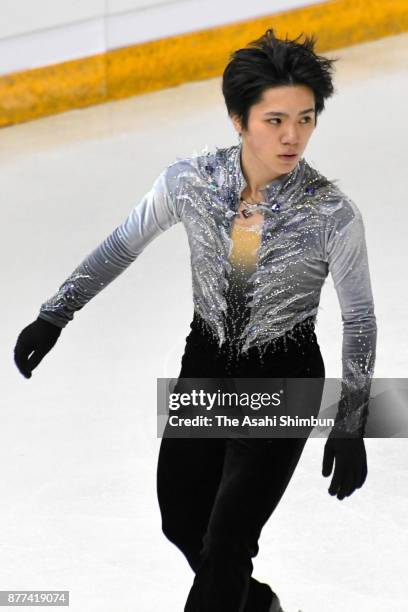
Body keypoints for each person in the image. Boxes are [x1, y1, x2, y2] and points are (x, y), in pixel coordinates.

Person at [14, 28, 377, 612]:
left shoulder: (333, 214)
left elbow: (359, 319)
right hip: (205, 366)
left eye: (306, 119)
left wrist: (352, 421)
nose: (293, 137)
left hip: (284, 378)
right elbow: (121, 244)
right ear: (238, 119)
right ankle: (257, 606)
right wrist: (56, 314)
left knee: (229, 546)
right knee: (183, 523)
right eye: (275, 120)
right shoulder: (190, 182)